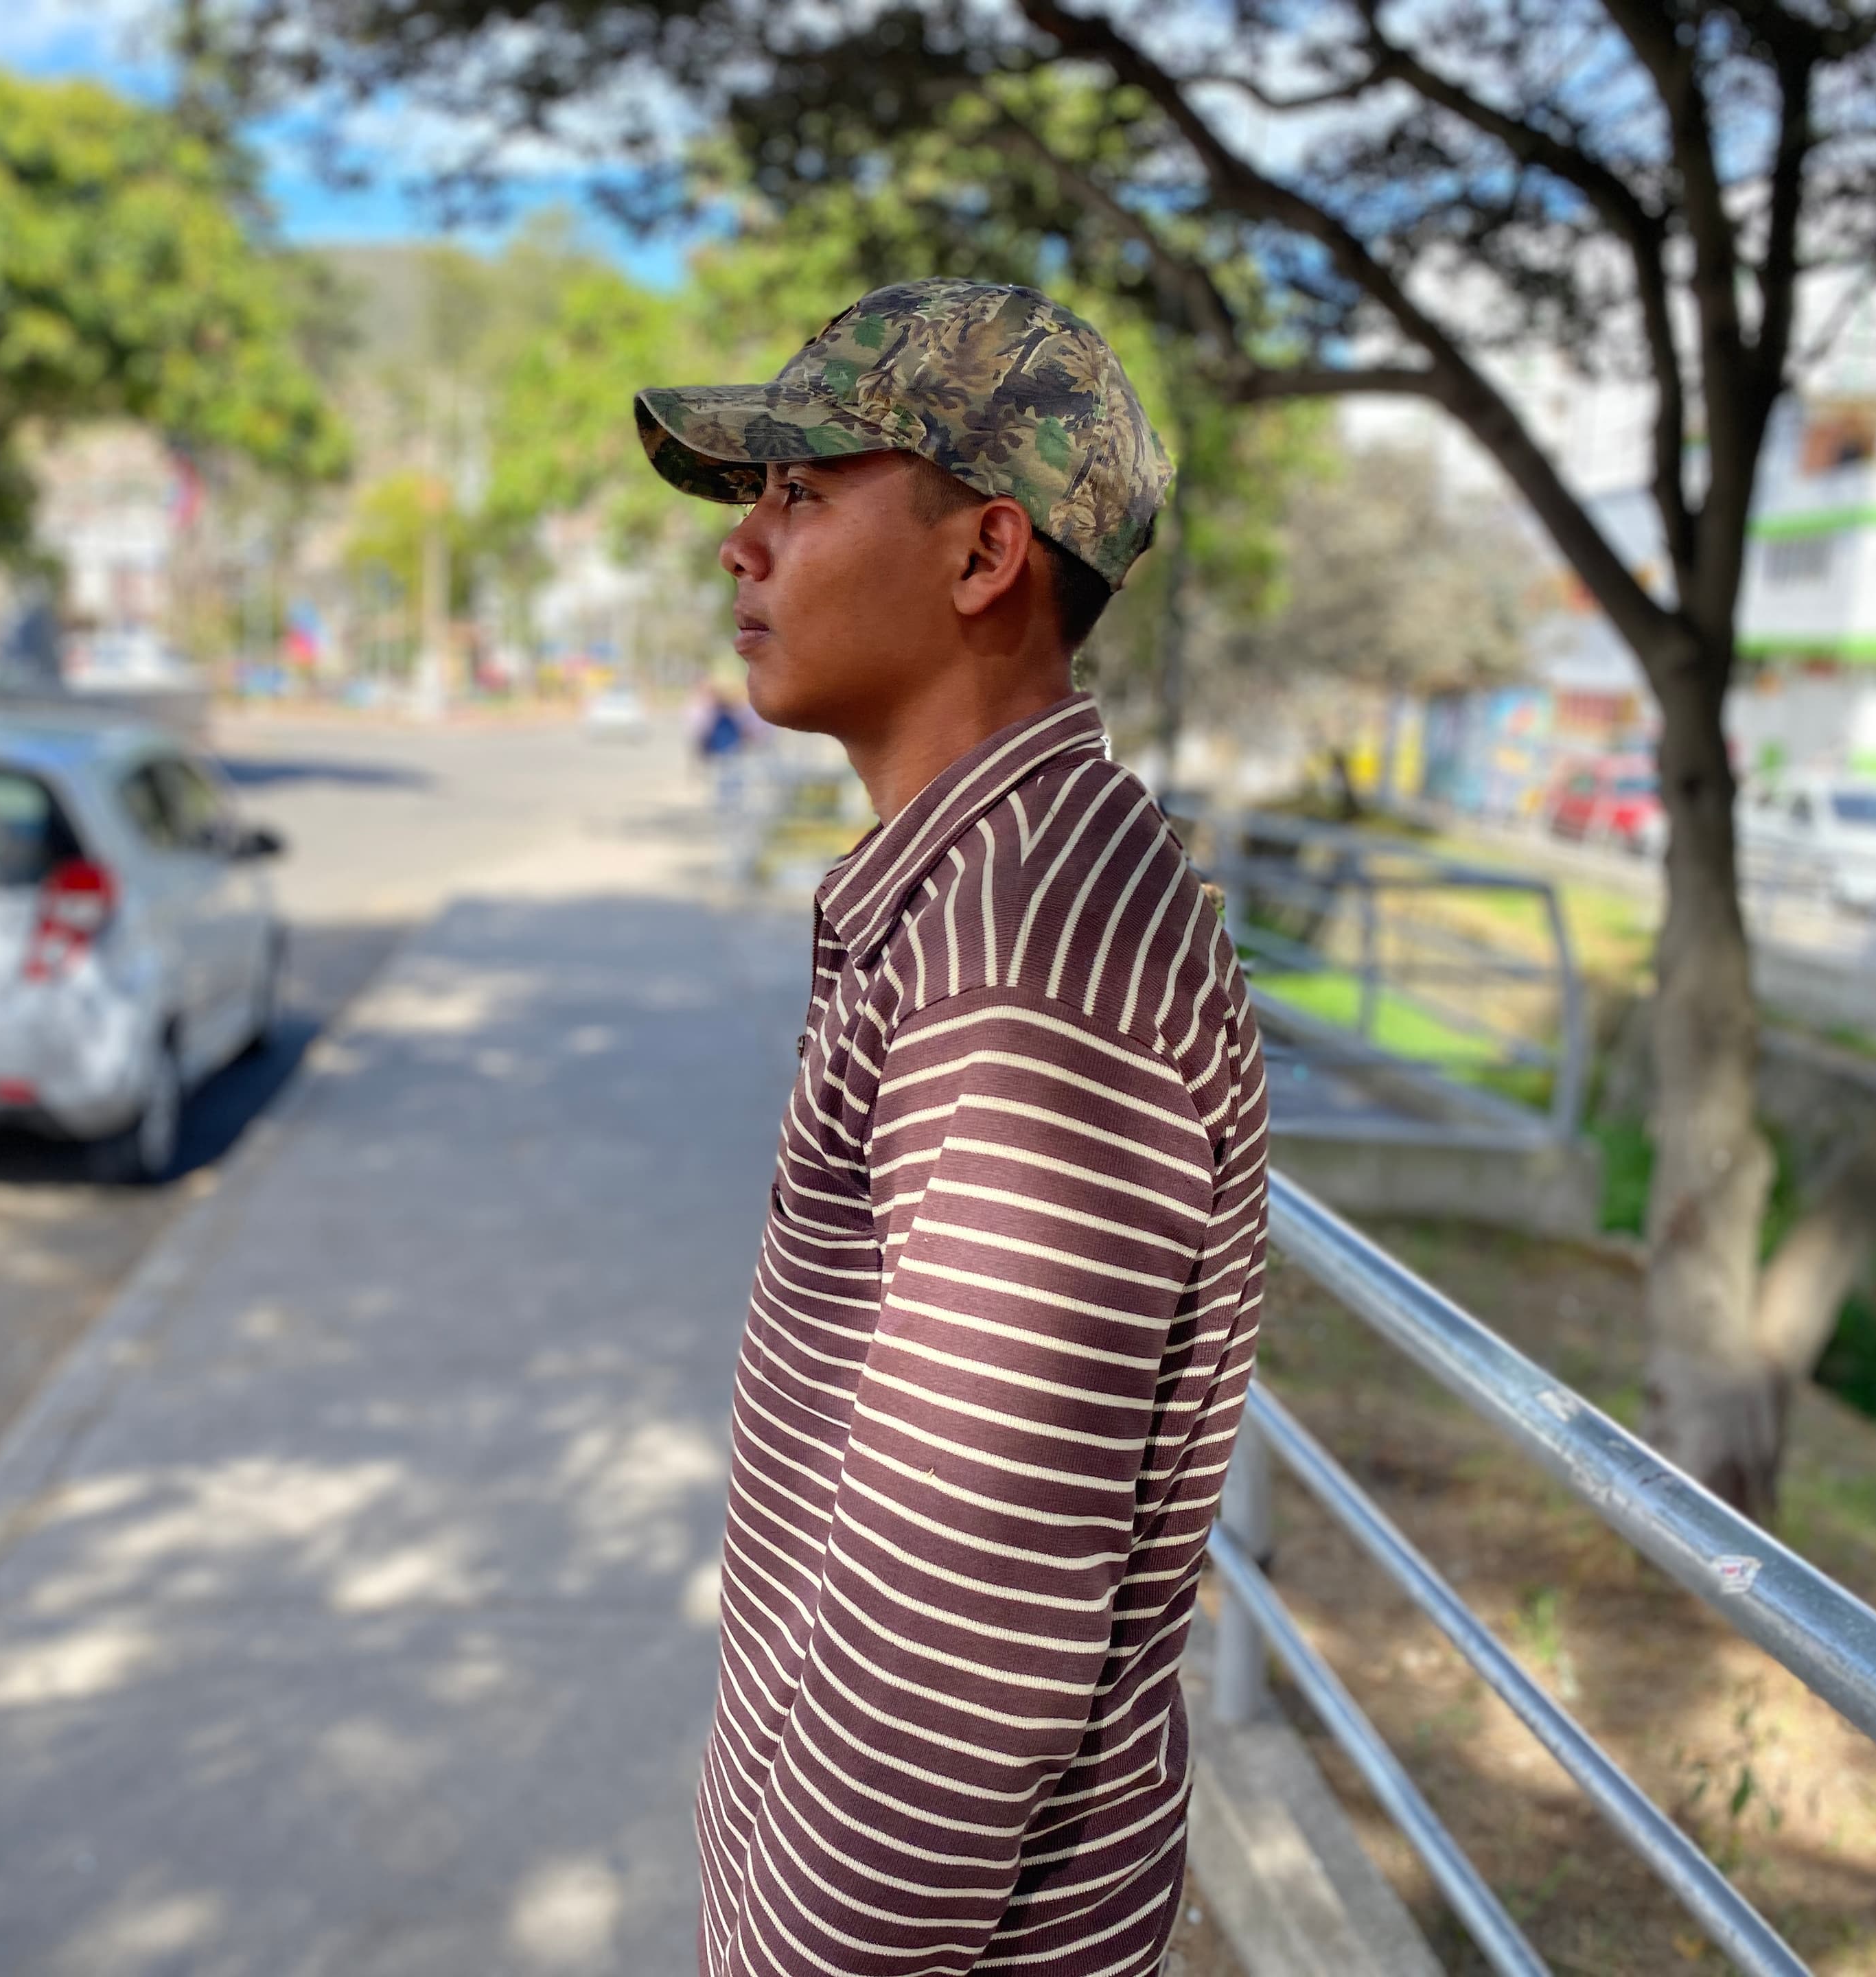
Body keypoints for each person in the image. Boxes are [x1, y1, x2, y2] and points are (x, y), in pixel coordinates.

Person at [634, 279, 1270, 1977]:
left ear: (987, 558)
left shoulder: (1027, 951)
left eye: (802, 492)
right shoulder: (1001, 884)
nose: (741, 550)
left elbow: (955, 1615)